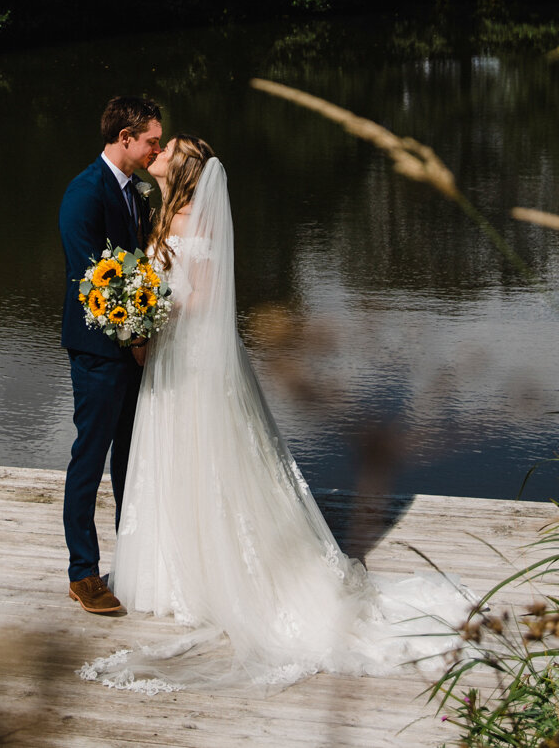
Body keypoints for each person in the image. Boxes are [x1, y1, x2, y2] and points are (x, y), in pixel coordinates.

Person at [90, 134, 465, 689]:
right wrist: (139, 303)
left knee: (209, 456)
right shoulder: (162, 208)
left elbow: (207, 297)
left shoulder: (196, 218)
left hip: (195, 360)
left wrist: (151, 305)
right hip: (170, 357)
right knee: (173, 457)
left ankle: (221, 574)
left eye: (168, 148)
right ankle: (172, 573)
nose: (160, 151)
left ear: (187, 170)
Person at [57, 95, 164, 616]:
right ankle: (83, 574)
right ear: (125, 138)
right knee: (90, 457)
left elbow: (137, 268)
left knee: (131, 456)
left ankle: (135, 556)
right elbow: (91, 281)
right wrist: (135, 337)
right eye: (151, 141)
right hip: (99, 352)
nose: (156, 149)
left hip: (134, 349)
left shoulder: (137, 192)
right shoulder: (84, 194)